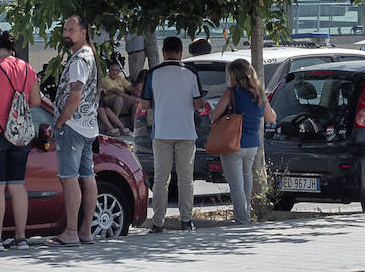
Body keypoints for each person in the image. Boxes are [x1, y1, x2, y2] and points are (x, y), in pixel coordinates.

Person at [0, 30, 41, 251]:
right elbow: (36, 100)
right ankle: (21, 238)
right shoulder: (27, 68)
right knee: (17, 185)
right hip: (19, 133)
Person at [142, 35, 202, 232]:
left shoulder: (153, 73)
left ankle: (158, 222)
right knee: (186, 179)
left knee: (161, 179)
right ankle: (186, 221)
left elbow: (145, 104)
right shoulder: (191, 73)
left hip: (161, 133)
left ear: (163, 52)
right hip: (186, 132)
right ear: (181, 52)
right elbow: (198, 103)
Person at [51, 15, 101, 246]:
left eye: (71, 29)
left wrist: (60, 122)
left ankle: (71, 231)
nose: (66, 33)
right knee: (87, 177)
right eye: (65, 29)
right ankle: (85, 231)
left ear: (84, 32)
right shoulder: (90, 54)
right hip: (88, 127)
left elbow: (75, 95)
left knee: (69, 178)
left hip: (72, 127)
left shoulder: (80, 59)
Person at [211, 58, 276, 225]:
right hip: (252, 145)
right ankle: (245, 215)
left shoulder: (231, 93)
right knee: (246, 179)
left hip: (233, 144)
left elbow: (214, 115)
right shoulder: (259, 93)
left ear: (233, 75)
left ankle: (242, 220)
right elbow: (271, 117)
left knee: (236, 186)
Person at [98, 57, 134, 135]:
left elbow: (131, 88)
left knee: (135, 101)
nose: (114, 72)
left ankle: (129, 126)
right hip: (107, 102)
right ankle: (111, 127)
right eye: (113, 70)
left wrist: (139, 97)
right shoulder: (104, 78)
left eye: (117, 71)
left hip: (109, 106)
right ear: (109, 70)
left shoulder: (120, 78)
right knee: (103, 109)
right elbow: (115, 91)